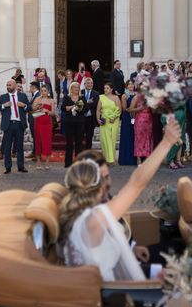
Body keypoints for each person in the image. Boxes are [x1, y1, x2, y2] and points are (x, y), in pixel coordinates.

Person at [57, 117, 181, 281]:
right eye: (104, 179)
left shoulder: (81, 215)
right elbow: (136, 183)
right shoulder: (93, 219)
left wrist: (135, 251)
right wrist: (166, 143)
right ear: (96, 185)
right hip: (115, 293)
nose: (109, 183)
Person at [0, 80, 29, 174]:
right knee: (7, 147)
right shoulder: (3, 97)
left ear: (15, 86)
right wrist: (4, 105)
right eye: (7, 85)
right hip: (8, 125)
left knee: (20, 147)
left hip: (19, 124)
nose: (8, 87)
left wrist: (24, 105)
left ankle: (21, 166)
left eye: (9, 85)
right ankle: (7, 167)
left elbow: (30, 108)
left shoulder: (22, 96)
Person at [62, 81, 87, 167]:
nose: (76, 89)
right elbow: (63, 108)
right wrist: (72, 107)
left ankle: (78, 162)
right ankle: (68, 163)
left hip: (80, 122)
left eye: (78, 87)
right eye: (75, 87)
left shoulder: (82, 98)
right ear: (71, 89)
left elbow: (86, 109)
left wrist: (80, 109)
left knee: (79, 143)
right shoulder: (66, 97)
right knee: (69, 143)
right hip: (69, 122)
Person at [97, 82, 122, 165]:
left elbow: (119, 109)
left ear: (111, 89)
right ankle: (106, 159)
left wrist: (114, 118)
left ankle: (111, 159)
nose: (105, 90)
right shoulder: (101, 97)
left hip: (113, 121)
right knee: (105, 140)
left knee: (111, 140)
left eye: (107, 88)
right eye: (105, 88)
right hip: (104, 121)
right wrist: (98, 119)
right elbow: (98, 110)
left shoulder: (116, 98)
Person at [32, 85, 56, 169]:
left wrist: (47, 111)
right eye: (42, 91)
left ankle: (47, 162)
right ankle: (38, 161)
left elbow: (53, 113)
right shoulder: (37, 99)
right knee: (38, 141)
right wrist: (38, 107)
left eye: (45, 90)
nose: (43, 92)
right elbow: (32, 110)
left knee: (47, 142)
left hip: (47, 123)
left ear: (48, 91)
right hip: (38, 121)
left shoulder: (51, 100)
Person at [132, 84, 153, 164]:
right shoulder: (136, 97)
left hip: (149, 120)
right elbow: (130, 109)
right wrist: (139, 108)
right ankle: (138, 158)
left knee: (148, 138)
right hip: (139, 120)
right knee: (139, 138)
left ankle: (147, 157)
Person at [162, 102, 186, 169]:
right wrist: (164, 124)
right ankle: (171, 161)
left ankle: (178, 160)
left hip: (181, 122)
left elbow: (185, 108)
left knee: (180, 142)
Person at [118, 80, 137, 166]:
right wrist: (131, 111)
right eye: (129, 84)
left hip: (136, 118)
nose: (131, 85)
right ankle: (125, 159)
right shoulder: (124, 96)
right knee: (126, 137)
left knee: (134, 138)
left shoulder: (137, 95)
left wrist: (135, 112)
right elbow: (124, 108)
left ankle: (133, 160)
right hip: (127, 118)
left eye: (132, 84)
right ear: (126, 86)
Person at [82, 77, 100, 150]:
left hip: (90, 119)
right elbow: (78, 105)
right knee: (80, 137)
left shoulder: (96, 93)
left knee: (89, 137)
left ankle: (88, 152)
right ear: (85, 84)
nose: (90, 84)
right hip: (81, 118)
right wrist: (88, 102)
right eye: (88, 83)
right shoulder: (81, 92)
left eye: (91, 83)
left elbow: (95, 104)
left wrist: (84, 103)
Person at [25, 81, 41, 161]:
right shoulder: (34, 95)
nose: (29, 88)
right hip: (32, 119)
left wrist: (27, 108)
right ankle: (34, 152)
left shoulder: (38, 95)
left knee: (36, 137)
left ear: (33, 87)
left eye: (30, 87)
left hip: (35, 119)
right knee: (34, 137)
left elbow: (37, 108)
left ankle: (37, 154)